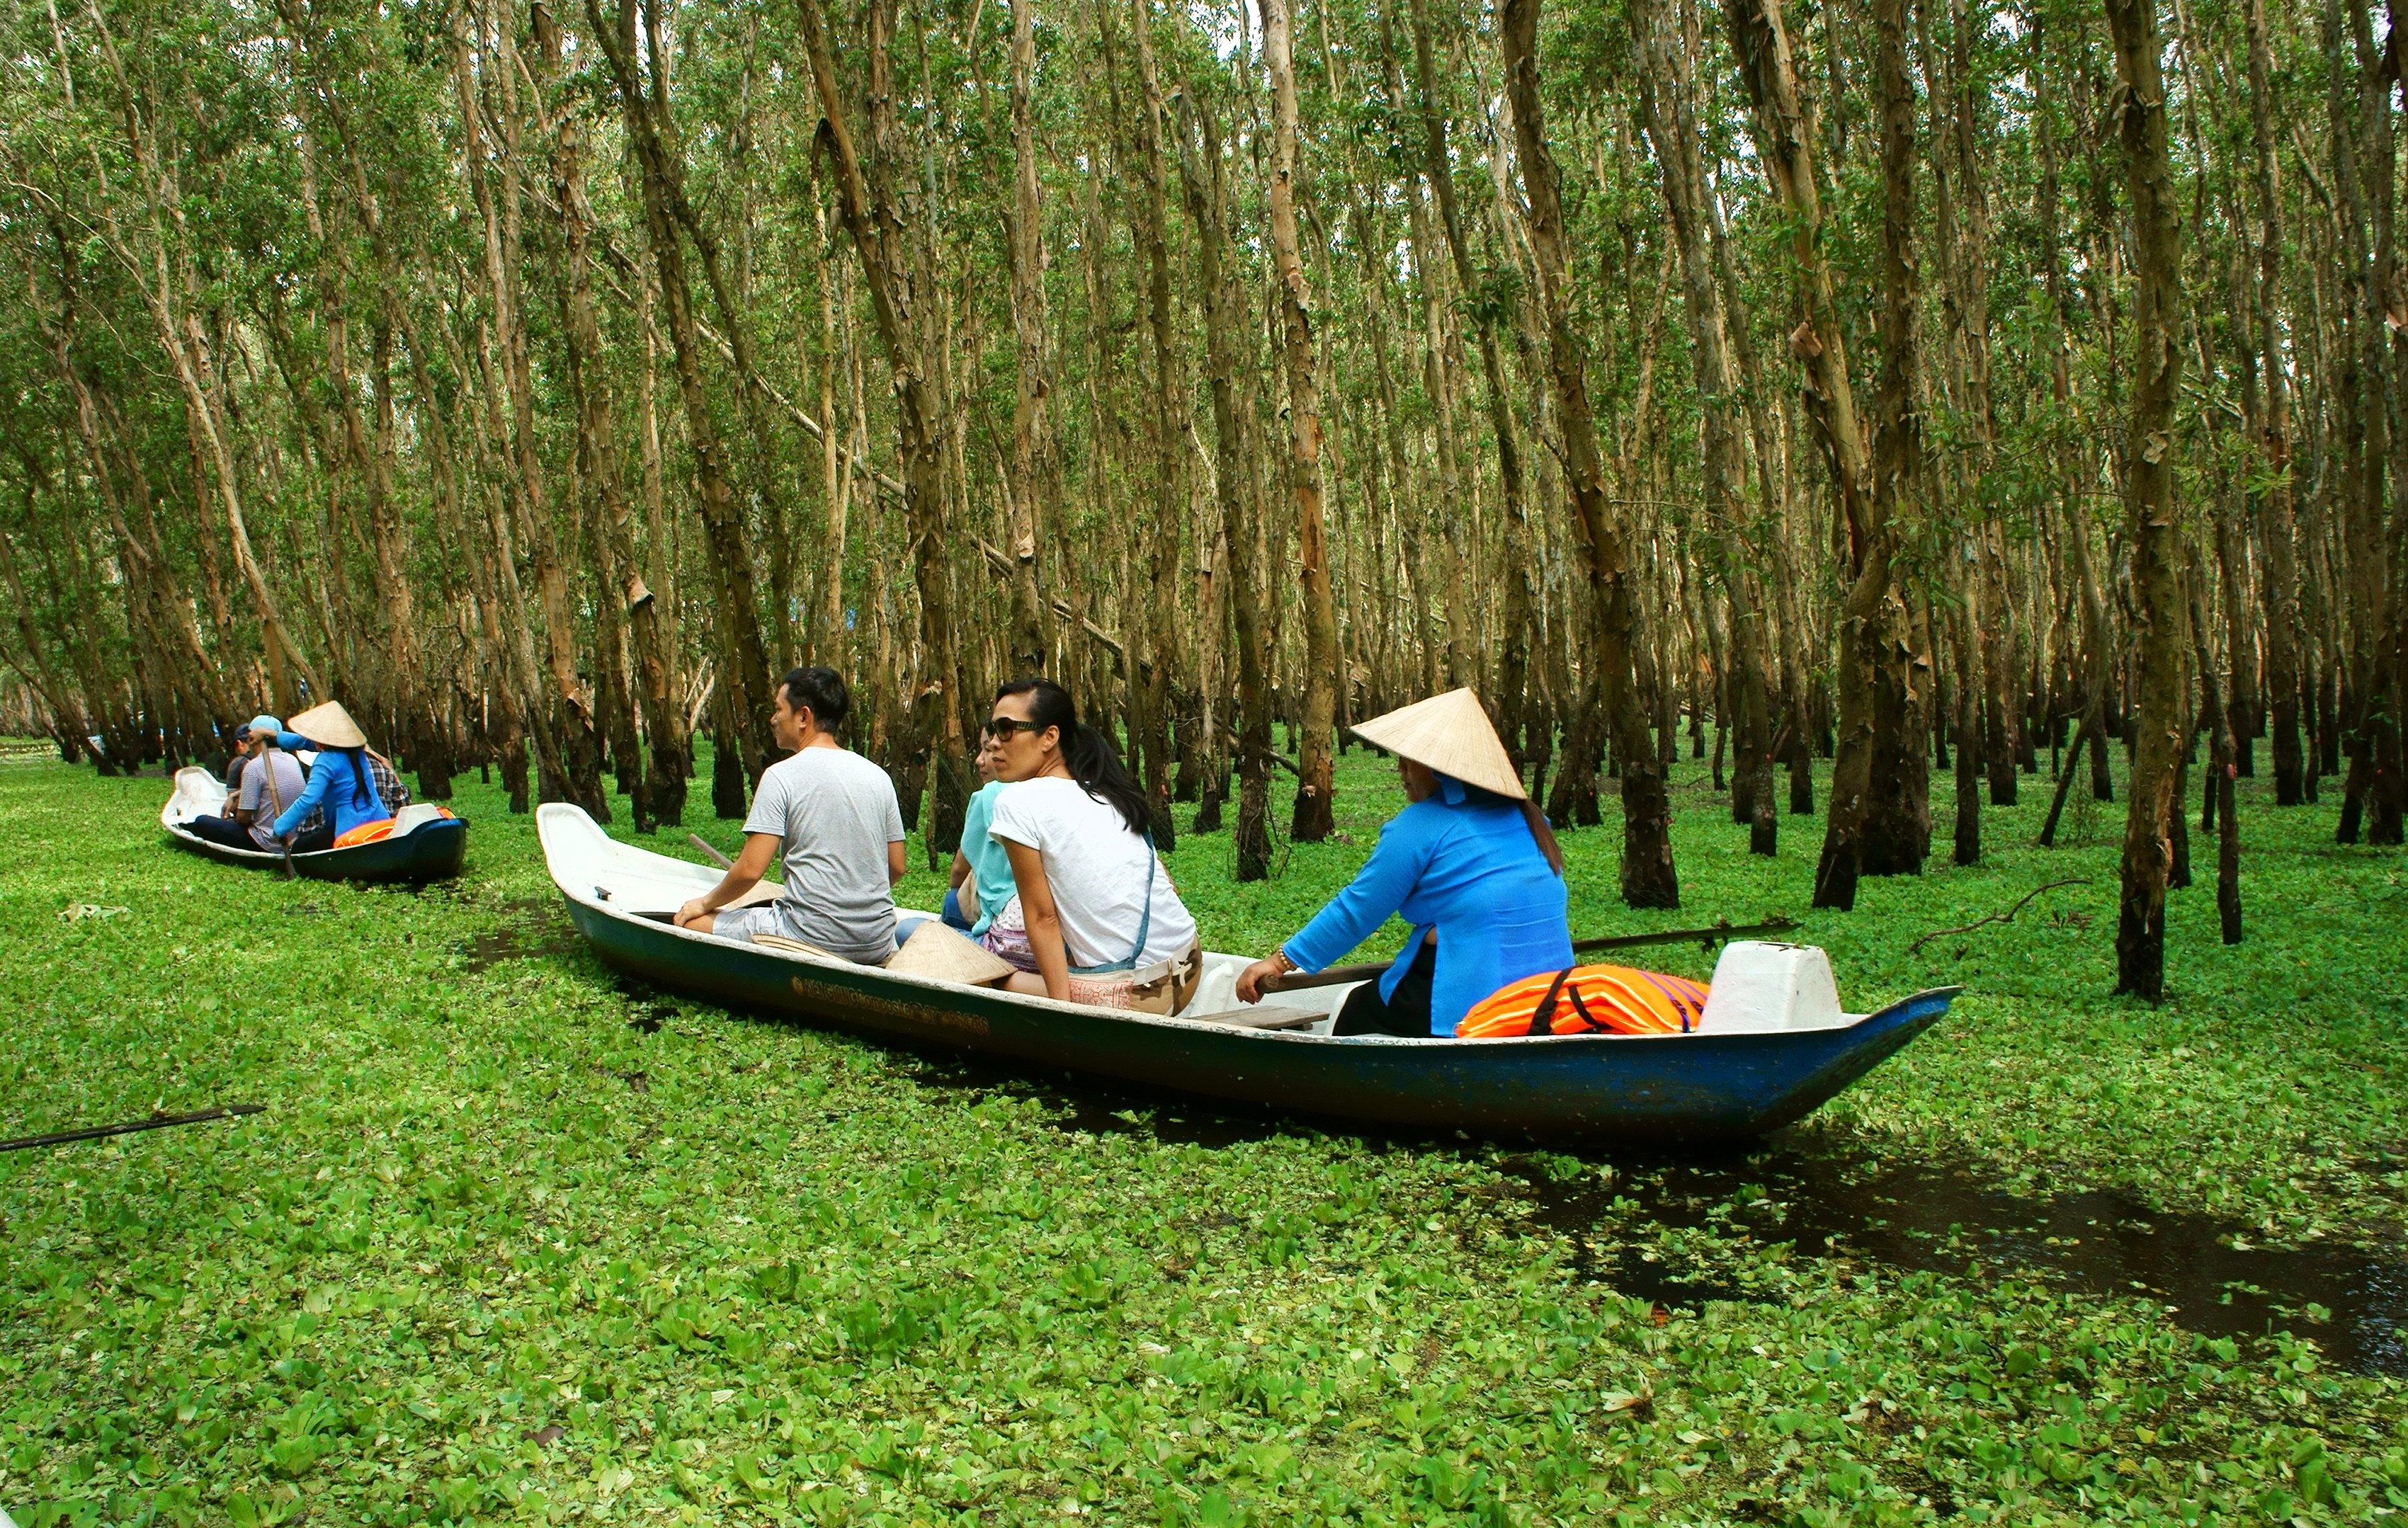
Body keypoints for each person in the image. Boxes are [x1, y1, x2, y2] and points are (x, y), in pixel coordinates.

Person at [1232, 688, 1572, 1038]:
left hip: (1475, 993)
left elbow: (1359, 908)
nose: (1402, 771)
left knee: (1357, 1009)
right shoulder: (1530, 818)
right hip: (1551, 991)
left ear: (1443, 769)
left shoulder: (1419, 825)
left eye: (1411, 761)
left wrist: (1279, 962)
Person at [980, 678, 1201, 1011]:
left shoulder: (1017, 801)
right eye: (992, 730)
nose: (994, 743)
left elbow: (1043, 918)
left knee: (991, 974)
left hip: (1140, 993)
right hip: (1191, 966)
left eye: (1007, 729)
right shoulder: (1103, 792)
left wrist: (1064, 1013)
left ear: (1050, 737)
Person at [675, 667, 907, 965]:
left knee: (692, 922)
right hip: (876, 940)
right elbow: (897, 867)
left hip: (808, 936)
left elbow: (749, 871)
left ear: (803, 717)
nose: (773, 719)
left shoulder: (780, 776)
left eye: (778, 709)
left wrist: (703, 903)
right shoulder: (878, 777)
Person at [187, 715, 312, 853]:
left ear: (253, 739)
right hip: (294, 838)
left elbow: (244, 819)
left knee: (202, 822)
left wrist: (236, 812)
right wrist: (237, 795)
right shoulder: (292, 760)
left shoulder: (254, 767)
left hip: (266, 842)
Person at [268, 701, 386, 845]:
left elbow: (309, 800)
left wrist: (279, 827)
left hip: (350, 831)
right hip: (379, 821)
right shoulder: (355, 751)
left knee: (299, 847)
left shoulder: (325, 761)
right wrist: (273, 735)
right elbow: (304, 742)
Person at [943, 732, 1013, 935]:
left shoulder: (986, 797)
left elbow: (958, 870)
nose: (979, 760)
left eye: (989, 750)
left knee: (951, 902)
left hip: (1005, 932)